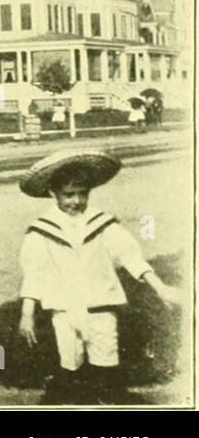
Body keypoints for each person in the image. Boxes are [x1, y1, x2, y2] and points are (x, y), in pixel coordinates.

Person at [17, 148, 182, 404]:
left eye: (82, 194)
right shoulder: (41, 230)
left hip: (100, 304)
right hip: (63, 307)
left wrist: (160, 288)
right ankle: (66, 398)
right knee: (69, 359)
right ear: (53, 194)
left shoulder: (102, 222)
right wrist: (27, 314)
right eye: (68, 195)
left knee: (105, 356)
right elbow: (34, 272)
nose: (76, 201)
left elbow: (130, 256)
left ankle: (109, 397)